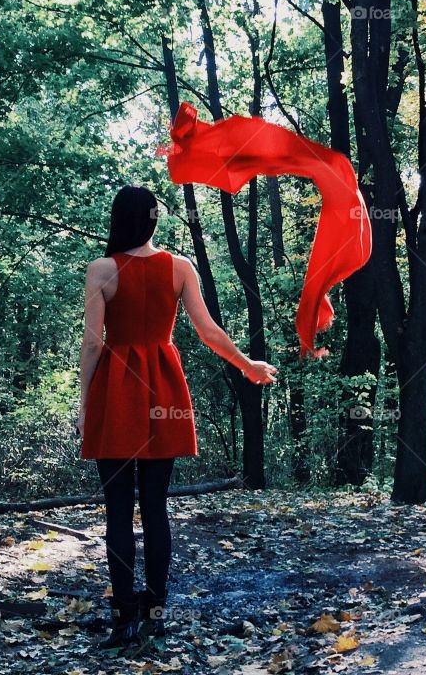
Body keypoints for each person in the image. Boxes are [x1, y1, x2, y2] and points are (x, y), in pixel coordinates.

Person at [77, 185, 278, 653]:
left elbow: (91, 344)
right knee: (156, 508)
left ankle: (124, 621)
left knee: (118, 515)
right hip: (164, 388)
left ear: (116, 220)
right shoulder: (180, 267)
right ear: (150, 220)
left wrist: (86, 404)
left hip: (117, 391)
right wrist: (248, 365)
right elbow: (207, 330)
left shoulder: (102, 270)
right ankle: (157, 615)